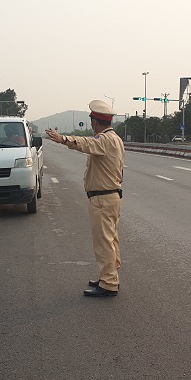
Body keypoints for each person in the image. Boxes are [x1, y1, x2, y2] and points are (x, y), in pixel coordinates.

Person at [44, 100, 124, 297]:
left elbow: (87, 144)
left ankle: (109, 283)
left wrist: (64, 139)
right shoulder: (115, 139)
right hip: (110, 197)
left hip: (103, 199)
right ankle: (109, 275)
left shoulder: (105, 140)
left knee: (103, 242)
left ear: (94, 122)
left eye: (91, 120)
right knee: (110, 241)